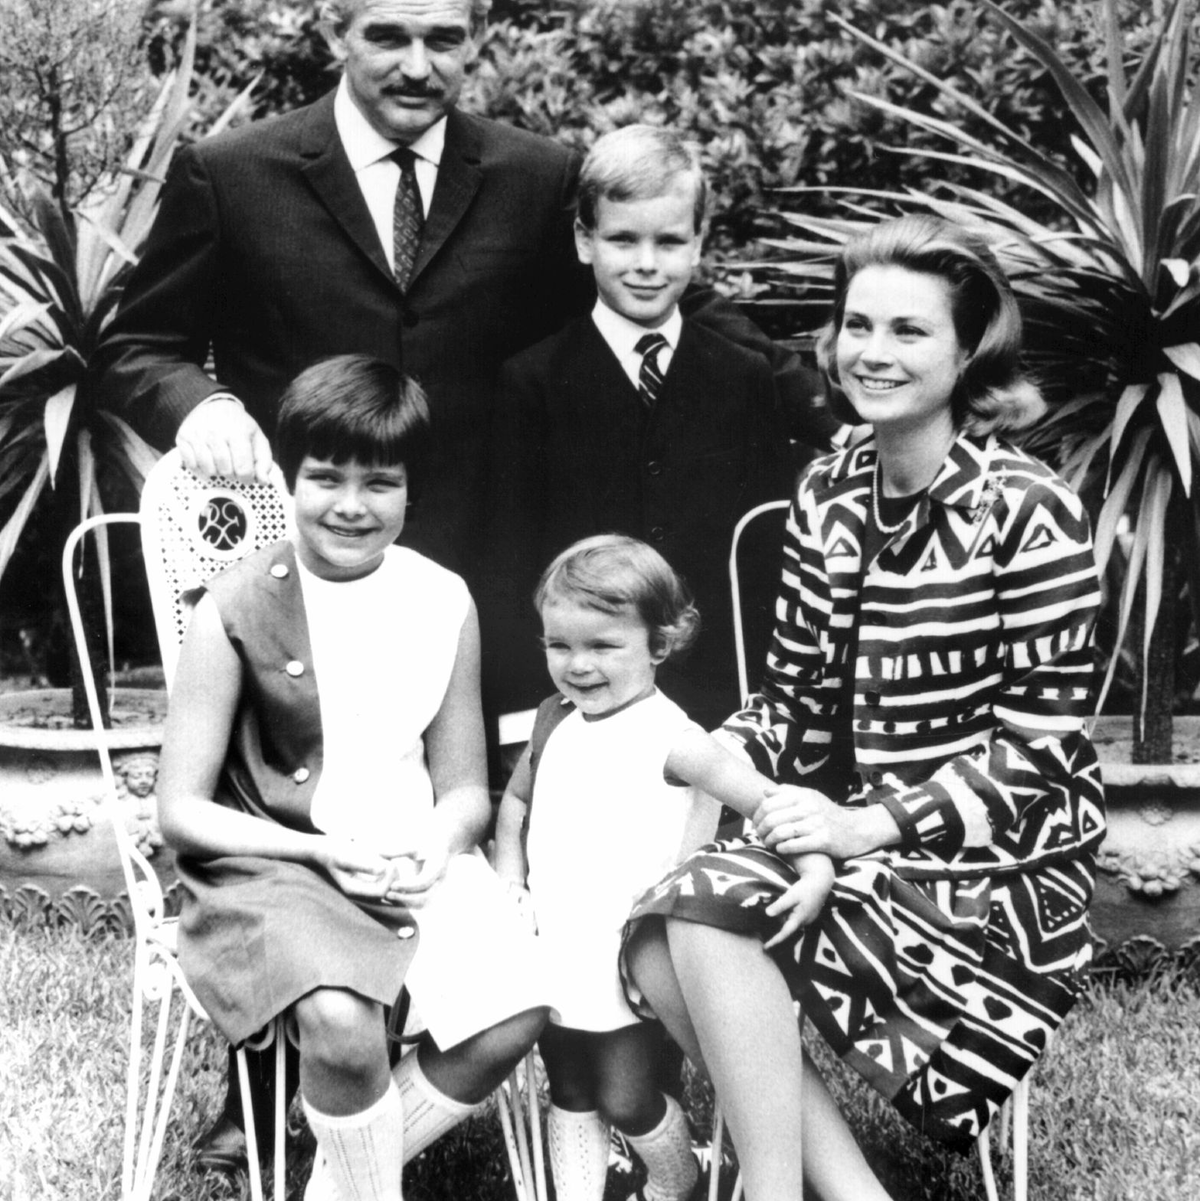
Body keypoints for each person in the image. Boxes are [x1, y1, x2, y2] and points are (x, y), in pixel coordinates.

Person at [620, 214, 1107, 1201]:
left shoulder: (1027, 507)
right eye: (858, 325)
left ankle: (774, 1189)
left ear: (970, 353)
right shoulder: (829, 491)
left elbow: (1045, 750)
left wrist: (860, 828)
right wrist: (707, 755)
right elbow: (795, 701)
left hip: (997, 859)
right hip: (851, 826)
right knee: (661, 940)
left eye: (909, 330)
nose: (872, 352)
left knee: (702, 919)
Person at [155, 354, 550, 1201]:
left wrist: (438, 840)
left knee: (516, 1009)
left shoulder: (443, 599)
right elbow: (180, 809)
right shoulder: (233, 607)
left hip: (408, 855)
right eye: (325, 477)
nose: (350, 504)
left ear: (411, 491)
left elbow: (465, 790)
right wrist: (317, 853)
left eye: (380, 483)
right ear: (289, 480)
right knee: (339, 1020)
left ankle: (339, 1185)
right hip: (278, 862)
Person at [492, 535, 833, 1201]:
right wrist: (508, 873)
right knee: (568, 1087)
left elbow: (768, 801)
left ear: (659, 643)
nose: (578, 665)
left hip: (621, 958)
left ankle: (676, 1178)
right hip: (552, 942)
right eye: (560, 645)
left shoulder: (673, 740)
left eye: (603, 646)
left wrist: (815, 864)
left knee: (625, 1094)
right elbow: (515, 802)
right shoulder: (553, 719)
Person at [485, 125, 801, 733]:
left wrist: (766, 707)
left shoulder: (743, 376)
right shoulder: (532, 381)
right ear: (585, 240)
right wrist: (524, 722)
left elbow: (765, 553)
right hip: (581, 701)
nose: (647, 264)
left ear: (698, 243)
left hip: (719, 700)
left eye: (670, 241)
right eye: (623, 239)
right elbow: (510, 558)